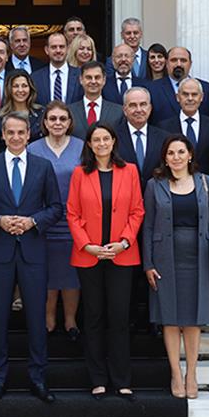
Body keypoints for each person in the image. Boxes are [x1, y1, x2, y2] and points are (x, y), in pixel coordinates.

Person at [0, 112, 64, 403]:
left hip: (33, 251)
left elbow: (55, 207)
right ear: (2, 135)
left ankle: (38, 377)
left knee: (36, 317)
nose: (15, 137)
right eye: (10, 132)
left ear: (29, 135)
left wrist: (33, 221)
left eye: (21, 132)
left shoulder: (43, 166)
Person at [142, 134, 209, 399]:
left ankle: (192, 373)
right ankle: (175, 373)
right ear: (165, 158)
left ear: (190, 155)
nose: (176, 157)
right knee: (170, 318)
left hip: (198, 258)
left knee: (193, 318)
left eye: (181, 152)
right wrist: (148, 263)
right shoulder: (154, 184)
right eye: (171, 153)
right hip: (164, 258)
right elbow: (147, 226)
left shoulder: (205, 182)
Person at [66, 121, 144, 399]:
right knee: (94, 317)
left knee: (119, 318)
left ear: (113, 142)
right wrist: (88, 246)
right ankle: (98, 378)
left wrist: (123, 242)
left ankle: (122, 379)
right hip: (89, 255)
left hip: (122, 254)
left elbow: (137, 211)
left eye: (106, 139)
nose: (101, 144)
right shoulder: (80, 173)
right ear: (89, 144)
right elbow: (72, 213)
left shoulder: (130, 171)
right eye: (96, 139)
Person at [28, 102, 85, 338]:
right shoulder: (33, 148)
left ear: (70, 122)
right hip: (44, 221)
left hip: (74, 221)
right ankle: (49, 317)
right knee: (48, 273)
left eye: (62, 119)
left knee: (71, 273)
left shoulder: (82, 147)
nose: (58, 123)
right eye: (52, 119)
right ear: (45, 122)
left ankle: (71, 320)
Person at [159, 78, 209, 184]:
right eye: (185, 94)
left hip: (205, 185)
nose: (190, 98)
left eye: (194, 94)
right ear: (177, 97)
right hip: (174, 185)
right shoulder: (164, 127)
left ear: (201, 97)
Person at [147, 46, 209, 124]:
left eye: (183, 60)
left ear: (190, 64)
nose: (178, 64)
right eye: (174, 60)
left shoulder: (207, 89)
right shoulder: (152, 89)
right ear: (166, 63)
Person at [70, 60, 123, 137]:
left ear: (104, 80)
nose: (93, 81)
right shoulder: (70, 111)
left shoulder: (118, 112)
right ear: (81, 80)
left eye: (97, 77)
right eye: (88, 77)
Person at [0, 69, 43, 149]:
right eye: (16, 86)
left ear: (30, 88)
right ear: (9, 89)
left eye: (24, 86)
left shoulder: (41, 113)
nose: (20, 90)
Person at [33, 32, 82, 105]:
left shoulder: (80, 75)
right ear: (46, 50)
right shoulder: (35, 78)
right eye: (54, 47)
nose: (58, 50)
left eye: (61, 47)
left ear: (68, 49)